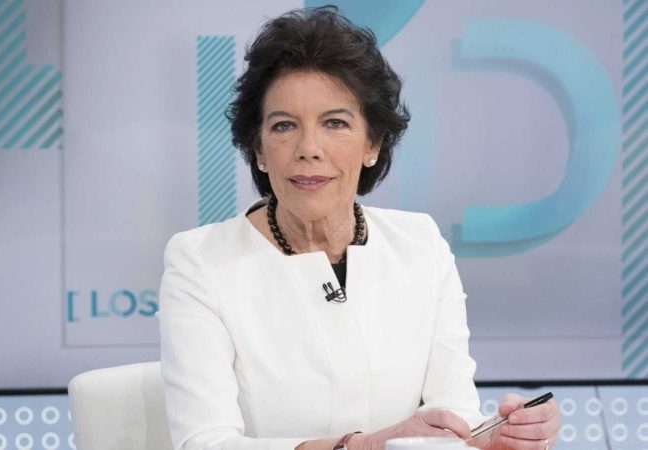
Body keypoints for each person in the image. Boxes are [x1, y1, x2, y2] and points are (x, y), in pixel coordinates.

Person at [158, 7, 560, 450]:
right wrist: (361, 446)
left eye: (335, 123)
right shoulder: (201, 262)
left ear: (373, 143)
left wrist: (491, 437)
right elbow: (205, 443)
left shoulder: (420, 245)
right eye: (284, 126)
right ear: (258, 149)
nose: (309, 148)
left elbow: (453, 417)